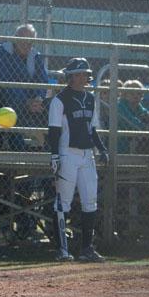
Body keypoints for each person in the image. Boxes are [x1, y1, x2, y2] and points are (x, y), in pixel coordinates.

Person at [48, 57, 108, 263]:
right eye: (81, 73)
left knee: (90, 200)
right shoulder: (60, 100)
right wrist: (54, 155)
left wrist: (101, 149)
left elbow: (93, 129)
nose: (85, 77)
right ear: (71, 77)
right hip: (67, 153)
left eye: (86, 73)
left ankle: (87, 248)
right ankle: (62, 249)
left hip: (86, 154)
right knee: (62, 202)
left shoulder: (91, 98)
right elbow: (54, 130)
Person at [0, 23, 48, 150]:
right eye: (23, 39)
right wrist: (26, 101)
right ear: (15, 38)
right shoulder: (2, 52)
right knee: (12, 112)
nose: (26, 43)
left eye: (30, 40)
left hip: (30, 102)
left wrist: (38, 98)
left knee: (50, 107)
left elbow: (42, 80)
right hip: (4, 101)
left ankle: (47, 149)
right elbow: (4, 82)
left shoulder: (35, 55)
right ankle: (19, 151)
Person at [116, 79, 149, 154]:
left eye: (138, 93)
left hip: (137, 139)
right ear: (125, 95)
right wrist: (145, 127)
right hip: (121, 140)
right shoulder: (119, 106)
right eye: (131, 93)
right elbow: (130, 121)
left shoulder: (139, 107)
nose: (135, 96)